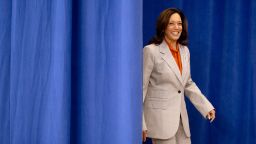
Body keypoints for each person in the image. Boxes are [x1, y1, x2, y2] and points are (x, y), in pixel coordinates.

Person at [142, 8, 216, 144]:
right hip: (161, 122)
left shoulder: (185, 51)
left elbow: (187, 83)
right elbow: (141, 89)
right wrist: (141, 123)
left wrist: (206, 107)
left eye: (179, 24)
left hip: (182, 120)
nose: (177, 27)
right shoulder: (150, 51)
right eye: (171, 23)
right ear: (163, 26)